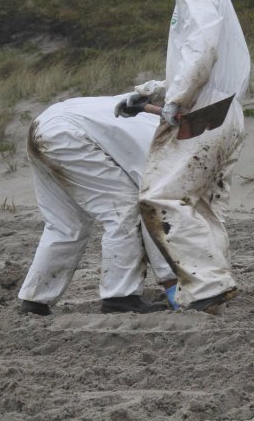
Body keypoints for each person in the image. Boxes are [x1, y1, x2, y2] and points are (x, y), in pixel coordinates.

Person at [122, 0, 251, 314]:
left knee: (159, 197)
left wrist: (175, 101)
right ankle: (207, 292)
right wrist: (155, 89)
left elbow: (202, 49)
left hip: (204, 114)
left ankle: (208, 285)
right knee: (203, 205)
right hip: (230, 112)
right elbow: (201, 59)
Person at [19, 95, 177, 316]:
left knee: (65, 224)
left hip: (44, 124)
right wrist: (171, 280)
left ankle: (34, 300)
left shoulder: (146, 115)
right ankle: (120, 297)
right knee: (123, 210)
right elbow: (152, 210)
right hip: (68, 134)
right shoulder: (165, 144)